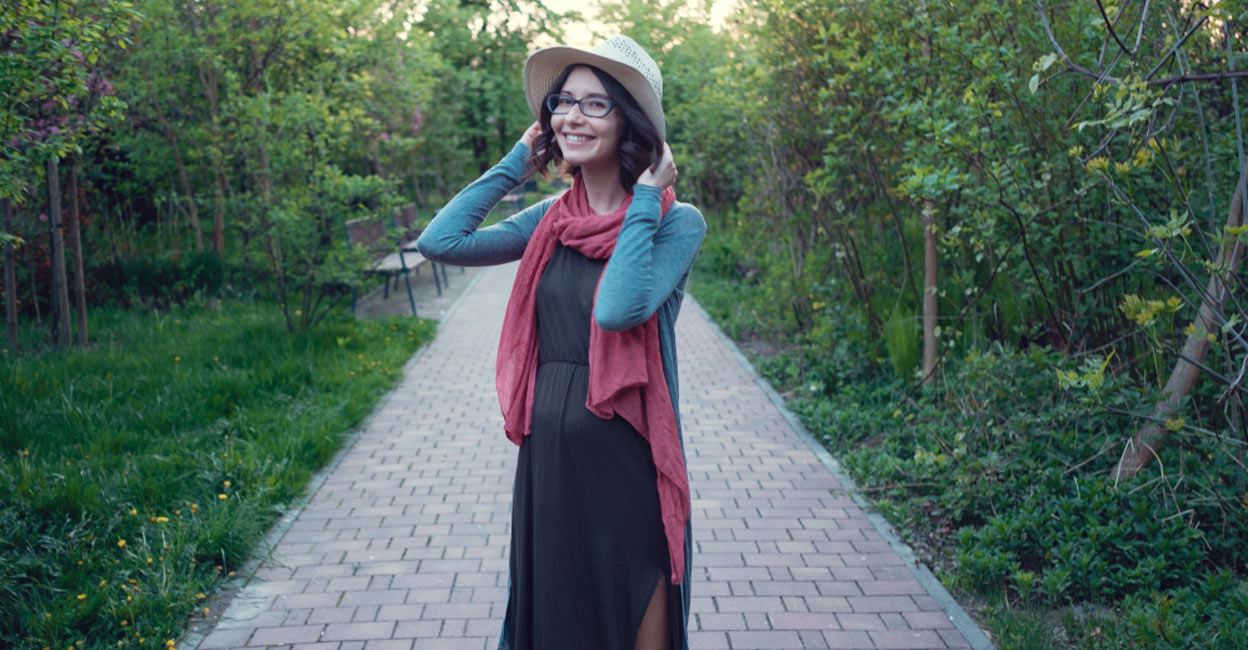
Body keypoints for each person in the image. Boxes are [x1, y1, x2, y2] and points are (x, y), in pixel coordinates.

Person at [417, 35, 706, 650]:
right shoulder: (551, 219)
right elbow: (440, 242)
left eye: (595, 104)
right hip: (551, 465)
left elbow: (619, 308)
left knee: (639, 623)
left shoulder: (675, 222)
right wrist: (515, 164)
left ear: (630, 120)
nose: (571, 115)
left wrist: (647, 198)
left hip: (630, 462)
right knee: (557, 623)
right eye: (562, 101)